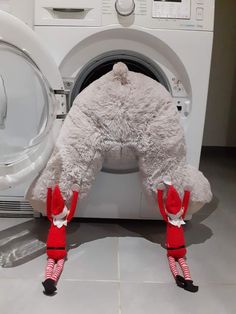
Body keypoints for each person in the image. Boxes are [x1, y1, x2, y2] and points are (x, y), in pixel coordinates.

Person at [157, 180, 198, 293]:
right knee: (176, 265)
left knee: (182, 265)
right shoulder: (169, 219)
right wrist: (160, 192)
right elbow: (161, 206)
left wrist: (187, 193)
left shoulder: (179, 218)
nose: (176, 215)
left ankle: (189, 282)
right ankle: (178, 279)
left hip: (179, 251)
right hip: (174, 251)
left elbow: (184, 205)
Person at [42, 184, 79, 295]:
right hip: (61, 252)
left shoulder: (51, 218)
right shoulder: (65, 221)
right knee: (59, 266)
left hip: (51, 251)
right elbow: (72, 209)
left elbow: (48, 208)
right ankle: (52, 281)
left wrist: (49, 191)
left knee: (50, 265)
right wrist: (75, 193)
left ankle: (48, 281)